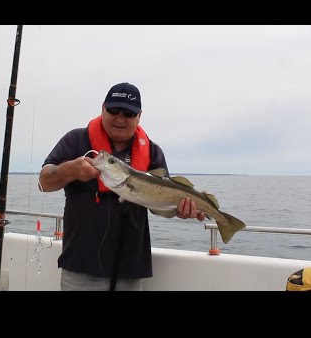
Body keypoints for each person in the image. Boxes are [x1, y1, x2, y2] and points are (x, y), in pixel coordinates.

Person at [38, 82, 205, 291]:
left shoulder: (152, 152)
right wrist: (69, 170)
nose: (120, 118)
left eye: (128, 113)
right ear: (102, 108)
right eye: (113, 110)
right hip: (81, 265)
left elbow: (159, 207)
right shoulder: (76, 140)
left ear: (139, 116)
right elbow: (43, 182)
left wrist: (181, 210)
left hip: (131, 269)